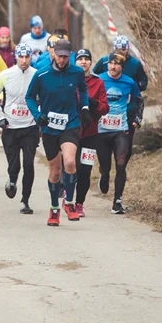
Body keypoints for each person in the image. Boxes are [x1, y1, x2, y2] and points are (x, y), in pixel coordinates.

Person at [25, 39, 90, 226]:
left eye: (65, 57)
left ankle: (69, 202)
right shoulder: (42, 74)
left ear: (70, 55)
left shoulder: (76, 72)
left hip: (70, 123)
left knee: (70, 161)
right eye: (59, 56)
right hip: (49, 127)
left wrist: (84, 107)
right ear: (53, 53)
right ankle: (54, 208)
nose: (62, 60)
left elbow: (83, 89)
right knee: (55, 171)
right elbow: (29, 97)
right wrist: (38, 115)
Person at [0, 44, 38, 214]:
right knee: (14, 165)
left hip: (30, 126)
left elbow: (44, 95)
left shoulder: (36, 75)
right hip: (10, 126)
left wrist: (39, 115)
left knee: (29, 164)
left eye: (27, 57)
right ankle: (11, 179)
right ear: (16, 57)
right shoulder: (6, 74)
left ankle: (25, 201)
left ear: (31, 57)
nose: (24, 61)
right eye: (21, 57)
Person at [96, 52, 144, 215]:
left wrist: (137, 118)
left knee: (121, 164)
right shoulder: (99, 79)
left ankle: (117, 201)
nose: (113, 66)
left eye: (117, 64)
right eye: (111, 63)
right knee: (105, 165)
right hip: (101, 130)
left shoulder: (129, 82)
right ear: (107, 64)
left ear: (122, 67)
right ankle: (103, 175)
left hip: (121, 129)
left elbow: (139, 101)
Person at [67, 49, 109, 217]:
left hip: (91, 134)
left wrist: (94, 103)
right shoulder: (69, 80)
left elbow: (106, 107)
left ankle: (79, 203)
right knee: (71, 166)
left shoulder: (97, 82)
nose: (83, 62)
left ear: (91, 63)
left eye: (86, 59)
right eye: (80, 59)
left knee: (85, 170)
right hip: (71, 132)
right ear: (75, 62)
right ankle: (68, 197)